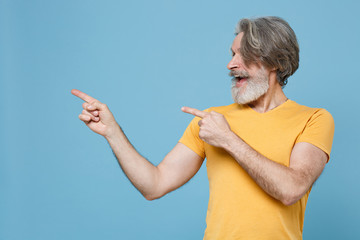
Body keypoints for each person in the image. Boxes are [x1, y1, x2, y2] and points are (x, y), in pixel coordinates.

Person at [72, 16, 334, 240]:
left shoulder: (313, 119)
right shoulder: (211, 120)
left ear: (275, 61)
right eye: (232, 54)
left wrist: (228, 140)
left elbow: (291, 190)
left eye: (244, 55)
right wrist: (112, 132)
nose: (231, 64)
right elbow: (154, 185)